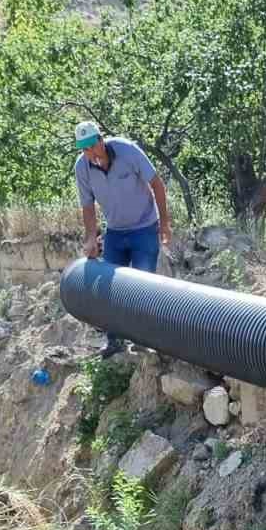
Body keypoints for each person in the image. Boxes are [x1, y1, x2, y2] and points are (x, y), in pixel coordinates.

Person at [73, 121, 173, 358]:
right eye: (84, 149)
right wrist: (91, 238)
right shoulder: (82, 168)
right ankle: (114, 340)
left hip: (144, 228)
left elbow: (157, 184)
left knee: (142, 285)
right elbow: (88, 206)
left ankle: (142, 340)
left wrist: (164, 223)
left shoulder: (128, 151)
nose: (90, 153)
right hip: (116, 232)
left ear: (101, 140)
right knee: (109, 288)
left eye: (92, 147)